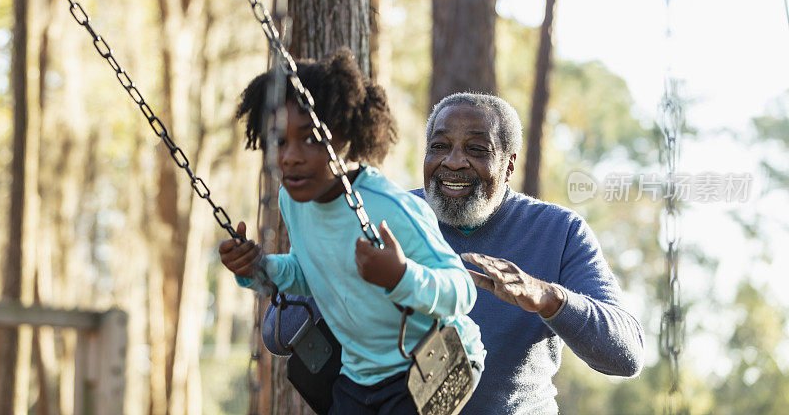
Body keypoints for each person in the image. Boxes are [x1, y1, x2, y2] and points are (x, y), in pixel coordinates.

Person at [258, 91, 645, 415]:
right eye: (439, 146)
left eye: (476, 149)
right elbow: (278, 334)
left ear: (509, 166)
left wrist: (546, 297)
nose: (454, 161)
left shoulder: (559, 231)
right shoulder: (382, 215)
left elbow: (626, 355)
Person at [218, 50, 485, 414]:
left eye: (310, 138)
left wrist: (401, 276)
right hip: (358, 376)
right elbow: (309, 273)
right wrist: (256, 269)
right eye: (279, 140)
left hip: (429, 364)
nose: (290, 156)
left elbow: (462, 291)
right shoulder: (292, 201)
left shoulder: (388, 208)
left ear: (344, 133)